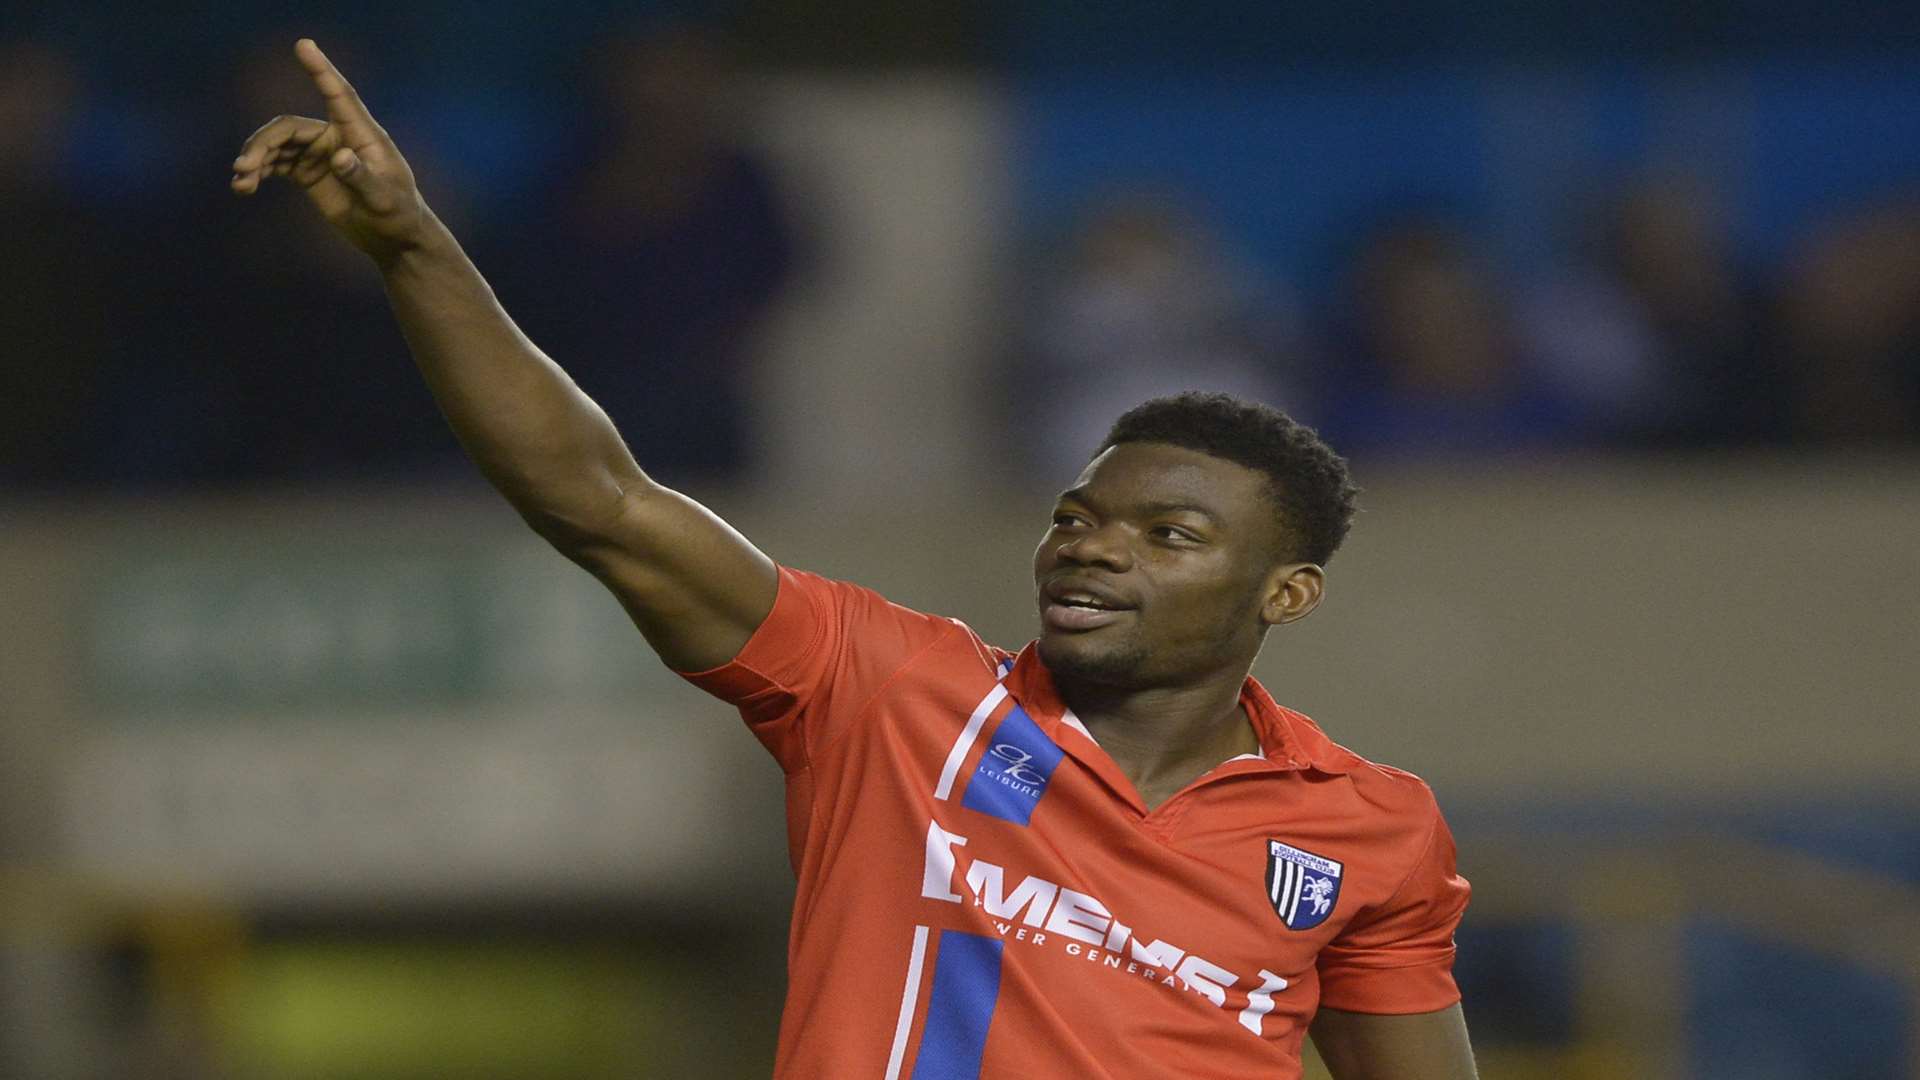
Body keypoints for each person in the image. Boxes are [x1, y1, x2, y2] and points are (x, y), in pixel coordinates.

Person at [230, 40, 1477, 1079]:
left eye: (1170, 536)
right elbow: (598, 498)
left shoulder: (1367, 830)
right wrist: (411, 248)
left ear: (1287, 592)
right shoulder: (895, 697)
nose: (1094, 550)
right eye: (1077, 515)